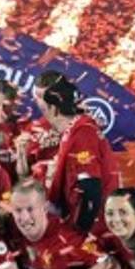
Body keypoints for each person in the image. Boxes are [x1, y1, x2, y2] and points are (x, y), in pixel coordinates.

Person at [2, 180, 114, 269]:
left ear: (45, 208)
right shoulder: (10, 230)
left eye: (30, 209)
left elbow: (110, 265)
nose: (25, 217)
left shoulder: (68, 238)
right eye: (18, 210)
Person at [39, 78, 120, 233]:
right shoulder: (76, 130)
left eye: (44, 109)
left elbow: (90, 189)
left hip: (94, 230)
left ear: (54, 109)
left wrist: (80, 232)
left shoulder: (82, 133)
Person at [13, 70, 66, 183]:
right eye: (38, 96)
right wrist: (20, 153)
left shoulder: (80, 124)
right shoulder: (32, 128)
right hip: (38, 190)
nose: (42, 102)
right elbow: (23, 176)